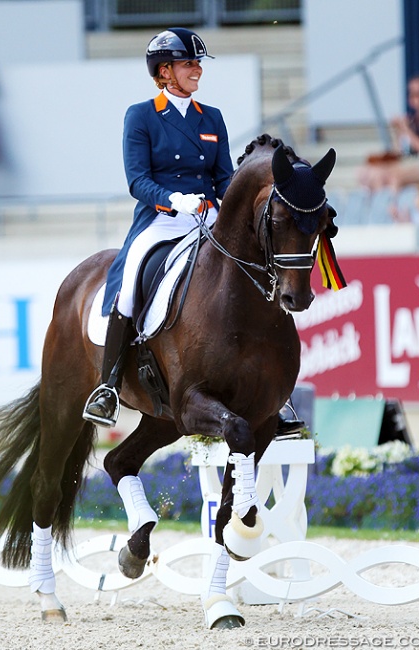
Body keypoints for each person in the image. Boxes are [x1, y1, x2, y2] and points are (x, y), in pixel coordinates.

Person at [83, 27, 305, 438]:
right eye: (189, 63)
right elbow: (137, 180)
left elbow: (224, 178)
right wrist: (173, 199)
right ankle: (109, 386)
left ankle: (276, 396)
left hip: (208, 219)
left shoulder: (211, 118)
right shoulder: (142, 115)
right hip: (161, 219)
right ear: (165, 72)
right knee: (131, 278)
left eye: (198, 63)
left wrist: (227, 207)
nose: (197, 70)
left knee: (256, 276)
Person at [357, 75, 419, 194]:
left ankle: (393, 208)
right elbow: (399, 152)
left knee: (394, 176)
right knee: (368, 174)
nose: (418, 99)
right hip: (415, 159)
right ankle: (379, 207)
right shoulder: (412, 120)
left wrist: (406, 130)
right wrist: (398, 133)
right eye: (413, 94)